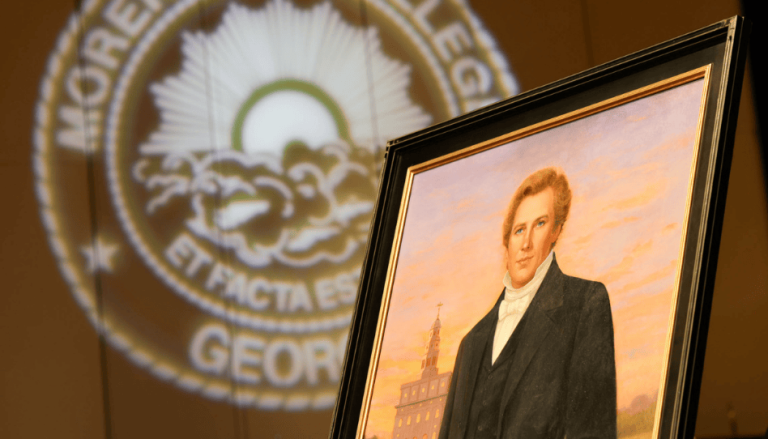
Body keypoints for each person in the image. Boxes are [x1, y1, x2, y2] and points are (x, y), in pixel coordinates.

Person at [438, 167, 617, 439]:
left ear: (557, 230)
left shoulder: (585, 304)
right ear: (507, 241)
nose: (526, 243)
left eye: (540, 224)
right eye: (519, 230)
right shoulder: (471, 343)